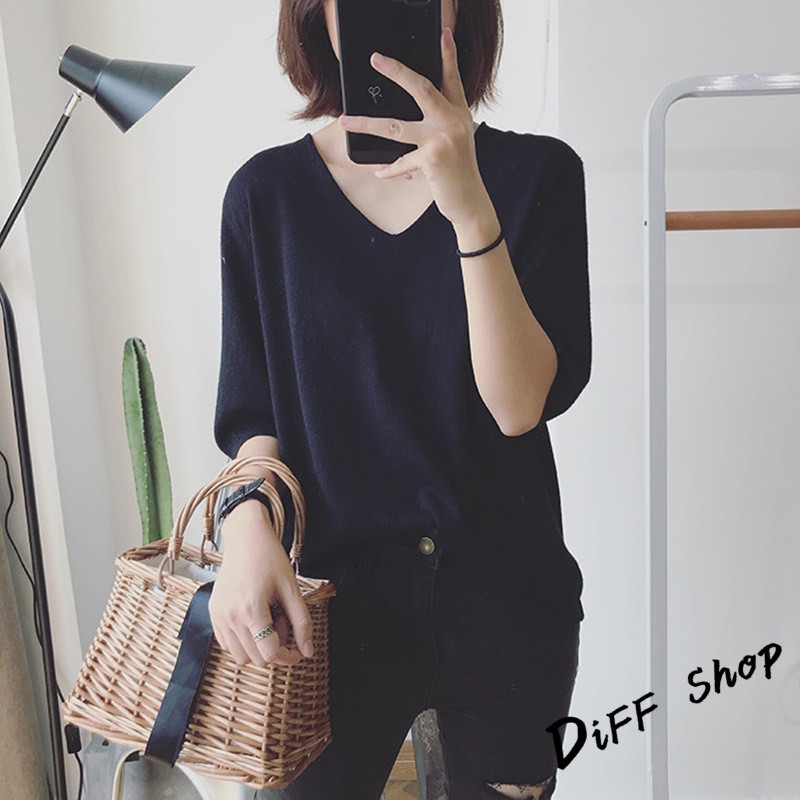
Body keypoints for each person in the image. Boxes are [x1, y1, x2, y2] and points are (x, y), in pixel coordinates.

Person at [211, 1, 592, 798]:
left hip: (505, 610)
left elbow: (518, 404)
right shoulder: (265, 197)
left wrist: (469, 206)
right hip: (329, 618)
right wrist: (244, 527)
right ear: (317, 13)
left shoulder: (540, 177)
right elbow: (256, 415)